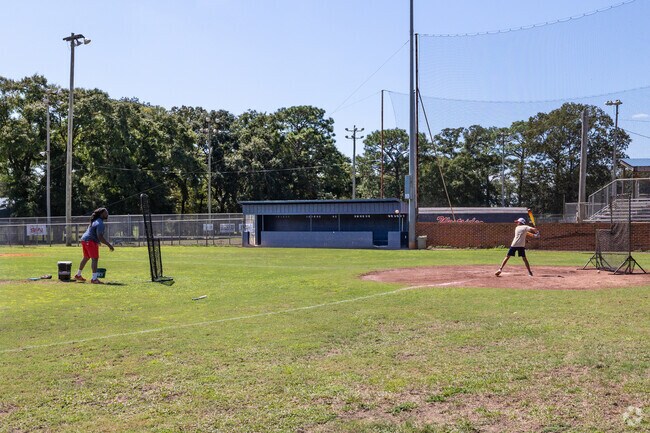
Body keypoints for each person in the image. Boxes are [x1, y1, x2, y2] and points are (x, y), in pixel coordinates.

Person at [74, 207, 114, 284]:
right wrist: (109, 245)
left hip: (84, 240)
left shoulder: (95, 221)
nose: (107, 214)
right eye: (106, 212)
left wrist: (97, 241)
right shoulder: (100, 223)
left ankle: (78, 275)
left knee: (86, 257)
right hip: (90, 241)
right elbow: (100, 236)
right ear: (101, 214)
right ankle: (94, 279)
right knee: (94, 259)